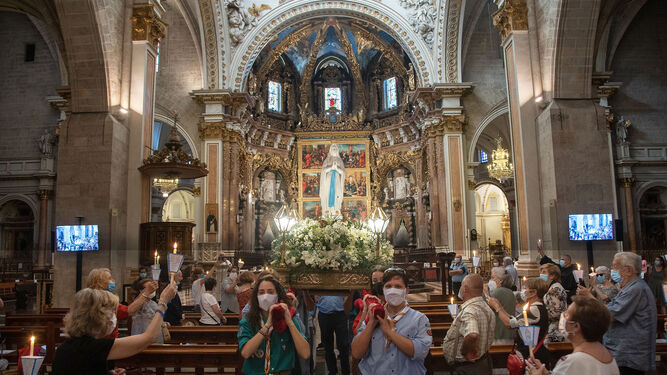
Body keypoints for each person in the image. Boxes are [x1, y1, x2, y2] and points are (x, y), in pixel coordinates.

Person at [52, 284, 177, 375]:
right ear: (97, 316)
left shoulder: (71, 346)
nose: (114, 316)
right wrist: (163, 302)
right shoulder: (92, 346)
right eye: (112, 311)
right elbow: (148, 338)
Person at [577, 252, 656, 375]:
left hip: (629, 355)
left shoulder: (635, 289)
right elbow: (612, 307)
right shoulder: (629, 288)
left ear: (628, 270)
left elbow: (610, 314)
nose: (613, 270)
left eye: (615, 266)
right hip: (623, 352)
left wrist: (589, 297)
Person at [351, 267, 432, 375]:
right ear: (383, 290)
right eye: (388, 286)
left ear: (406, 290)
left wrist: (389, 332)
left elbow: (420, 351)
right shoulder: (374, 314)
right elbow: (356, 353)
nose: (393, 290)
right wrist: (371, 324)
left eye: (398, 286)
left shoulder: (419, 319)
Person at [526, 296, 620, 375]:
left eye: (567, 314)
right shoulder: (608, 356)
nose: (563, 316)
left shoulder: (573, 362)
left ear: (575, 326)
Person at [238, 276, 310, 374]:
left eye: (271, 292)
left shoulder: (288, 319)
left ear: (278, 295)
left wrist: (290, 322)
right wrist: (267, 326)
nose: (266, 296)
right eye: (261, 292)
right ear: (256, 296)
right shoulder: (247, 321)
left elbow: (305, 353)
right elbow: (246, 353)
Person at [488, 278, 551, 369]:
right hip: (532, 352)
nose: (523, 291)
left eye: (525, 288)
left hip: (534, 355)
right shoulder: (535, 307)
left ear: (534, 293)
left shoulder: (535, 309)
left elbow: (510, 324)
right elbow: (514, 320)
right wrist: (500, 306)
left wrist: (497, 307)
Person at [441, 274, 495, 374]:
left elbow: (472, 334)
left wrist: (466, 352)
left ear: (465, 288)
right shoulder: (487, 308)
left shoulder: (469, 311)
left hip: (468, 368)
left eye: (461, 285)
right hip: (482, 361)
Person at [87, 268, 157, 338]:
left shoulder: (92, 296)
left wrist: (143, 294)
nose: (113, 281)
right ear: (100, 283)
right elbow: (128, 311)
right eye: (110, 278)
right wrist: (146, 292)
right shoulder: (101, 300)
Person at [316, 292, 353, 375]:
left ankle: (346, 372)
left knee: (343, 345)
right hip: (324, 314)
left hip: (340, 314)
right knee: (327, 346)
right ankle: (332, 371)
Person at [539, 263, 568, 342]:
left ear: (552, 276)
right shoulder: (551, 288)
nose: (541, 275)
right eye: (540, 272)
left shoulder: (555, 289)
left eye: (544, 272)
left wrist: (539, 315)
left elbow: (556, 311)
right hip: (551, 327)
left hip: (555, 330)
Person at [488, 267, 516, 344]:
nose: (491, 280)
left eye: (493, 277)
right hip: (509, 333)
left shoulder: (498, 292)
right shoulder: (510, 291)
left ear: (500, 280)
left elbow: (486, 306)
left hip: (500, 334)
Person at [131, 279, 163, 344]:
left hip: (155, 337)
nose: (152, 290)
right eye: (149, 288)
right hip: (141, 336)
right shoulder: (138, 302)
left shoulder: (153, 303)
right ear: (141, 290)